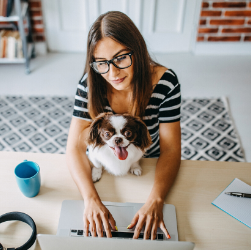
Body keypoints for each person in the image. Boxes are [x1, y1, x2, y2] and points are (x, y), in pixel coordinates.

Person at [66, 11, 181, 241]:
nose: (113, 73)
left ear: (137, 49)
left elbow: (171, 149)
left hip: (148, 164)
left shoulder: (165, 83)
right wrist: (90, 200)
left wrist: (156, 200)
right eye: (102, 63)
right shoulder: (89, 84)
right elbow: (75, 148)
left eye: (120, 58)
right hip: (103, 165)